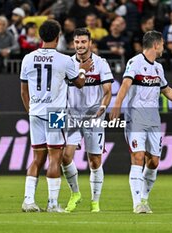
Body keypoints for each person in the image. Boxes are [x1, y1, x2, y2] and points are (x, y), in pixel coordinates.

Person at [110, 30, 172, 214]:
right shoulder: (134, 62)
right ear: (156, 44)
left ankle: (144, 198)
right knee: (137, 157)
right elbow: (125, 85)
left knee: (153, 161)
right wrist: (117, 105)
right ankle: (137, 203)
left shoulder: (158, 68)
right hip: (135, 117)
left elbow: (167, 91)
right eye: (161, 44)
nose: (163, 47)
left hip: (153, 119)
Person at [20, 19, 93, 213]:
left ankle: (28, 200)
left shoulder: (28, 58)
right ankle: (52, 203)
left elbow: (23, 91)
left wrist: (31, 111)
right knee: (54, 157)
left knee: (37, 158)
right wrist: (83, 71)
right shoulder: (65, 60)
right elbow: (79, 84)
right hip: (55, 113)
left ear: (40, 36)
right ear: (58, 36)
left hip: (35, 111)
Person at [61, 28, 113, 213]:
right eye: (77, 42)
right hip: (71, 116)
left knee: (95, 161)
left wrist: (103, 106)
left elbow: (107, 90)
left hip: (94, 117)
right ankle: (75, 194)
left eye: (83, 42)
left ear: (90, 43)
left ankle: (95, 202)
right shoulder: (67, 63)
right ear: (73, 44)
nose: (80, 46)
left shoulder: (101, 63)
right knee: (65, 157)